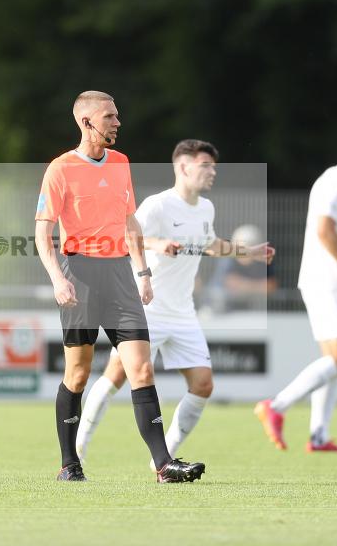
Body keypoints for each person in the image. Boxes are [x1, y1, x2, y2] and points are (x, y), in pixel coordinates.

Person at [35, 91, 206, 483]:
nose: (117, 122)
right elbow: (43, 231)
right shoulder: (60, 169)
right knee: (78, 374)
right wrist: (58, 279)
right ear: (86, 122)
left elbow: (130, 221)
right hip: (79, 275)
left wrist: (142, 272)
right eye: (109, 117)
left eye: (116, 116)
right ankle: (69, 464)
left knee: (141, 368)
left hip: (119, 277)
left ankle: (164, 465)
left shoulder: (121, 162)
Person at [75, 139, 275, 468]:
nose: (212, 172)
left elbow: (210, 244)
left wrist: (248, 252)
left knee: (203, 384)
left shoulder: (206, 208)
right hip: (146, 308)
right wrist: (157, 243)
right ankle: (77, 450)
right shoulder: (158, 205)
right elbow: (125, 236)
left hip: (183, 313)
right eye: (205, 166)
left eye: (214, 167)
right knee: (117, 376)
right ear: (183, 167)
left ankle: (163, 458)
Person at [255, 123, 337, 452]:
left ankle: (319, 436)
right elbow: (324, 230)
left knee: (332, 359)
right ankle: (276, 406)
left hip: (328, 277)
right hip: (328, 280)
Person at [205, 224, 277, 312]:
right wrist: (258, 286)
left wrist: (245, 285)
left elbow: (271, 286)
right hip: (220, 308)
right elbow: (231, 283)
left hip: (252, 309)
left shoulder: (263, 260)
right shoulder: (228, 258)